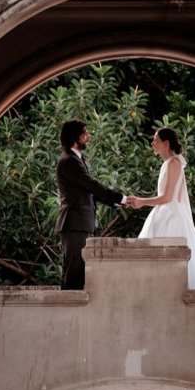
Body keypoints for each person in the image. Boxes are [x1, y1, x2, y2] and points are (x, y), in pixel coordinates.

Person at [128, 128, 195, 290]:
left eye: (155, 140)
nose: (152, 143)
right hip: (166, 213)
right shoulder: (169, 163)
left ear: (166, 143)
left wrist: (142, 201)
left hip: (170, 216)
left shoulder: (173, 163)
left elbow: (168, 197)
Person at [56, 119, 127, 290]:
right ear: (76, 137)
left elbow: (86, 191)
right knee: (75, 271)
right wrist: (121, 198)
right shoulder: (70, 161)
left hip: (77, 223)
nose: (88, 137)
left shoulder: (74, 159)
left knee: (75, 270)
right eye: (85, 133)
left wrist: (116, 202)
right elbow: (91, 186)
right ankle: (71, 313)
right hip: (74, 222)